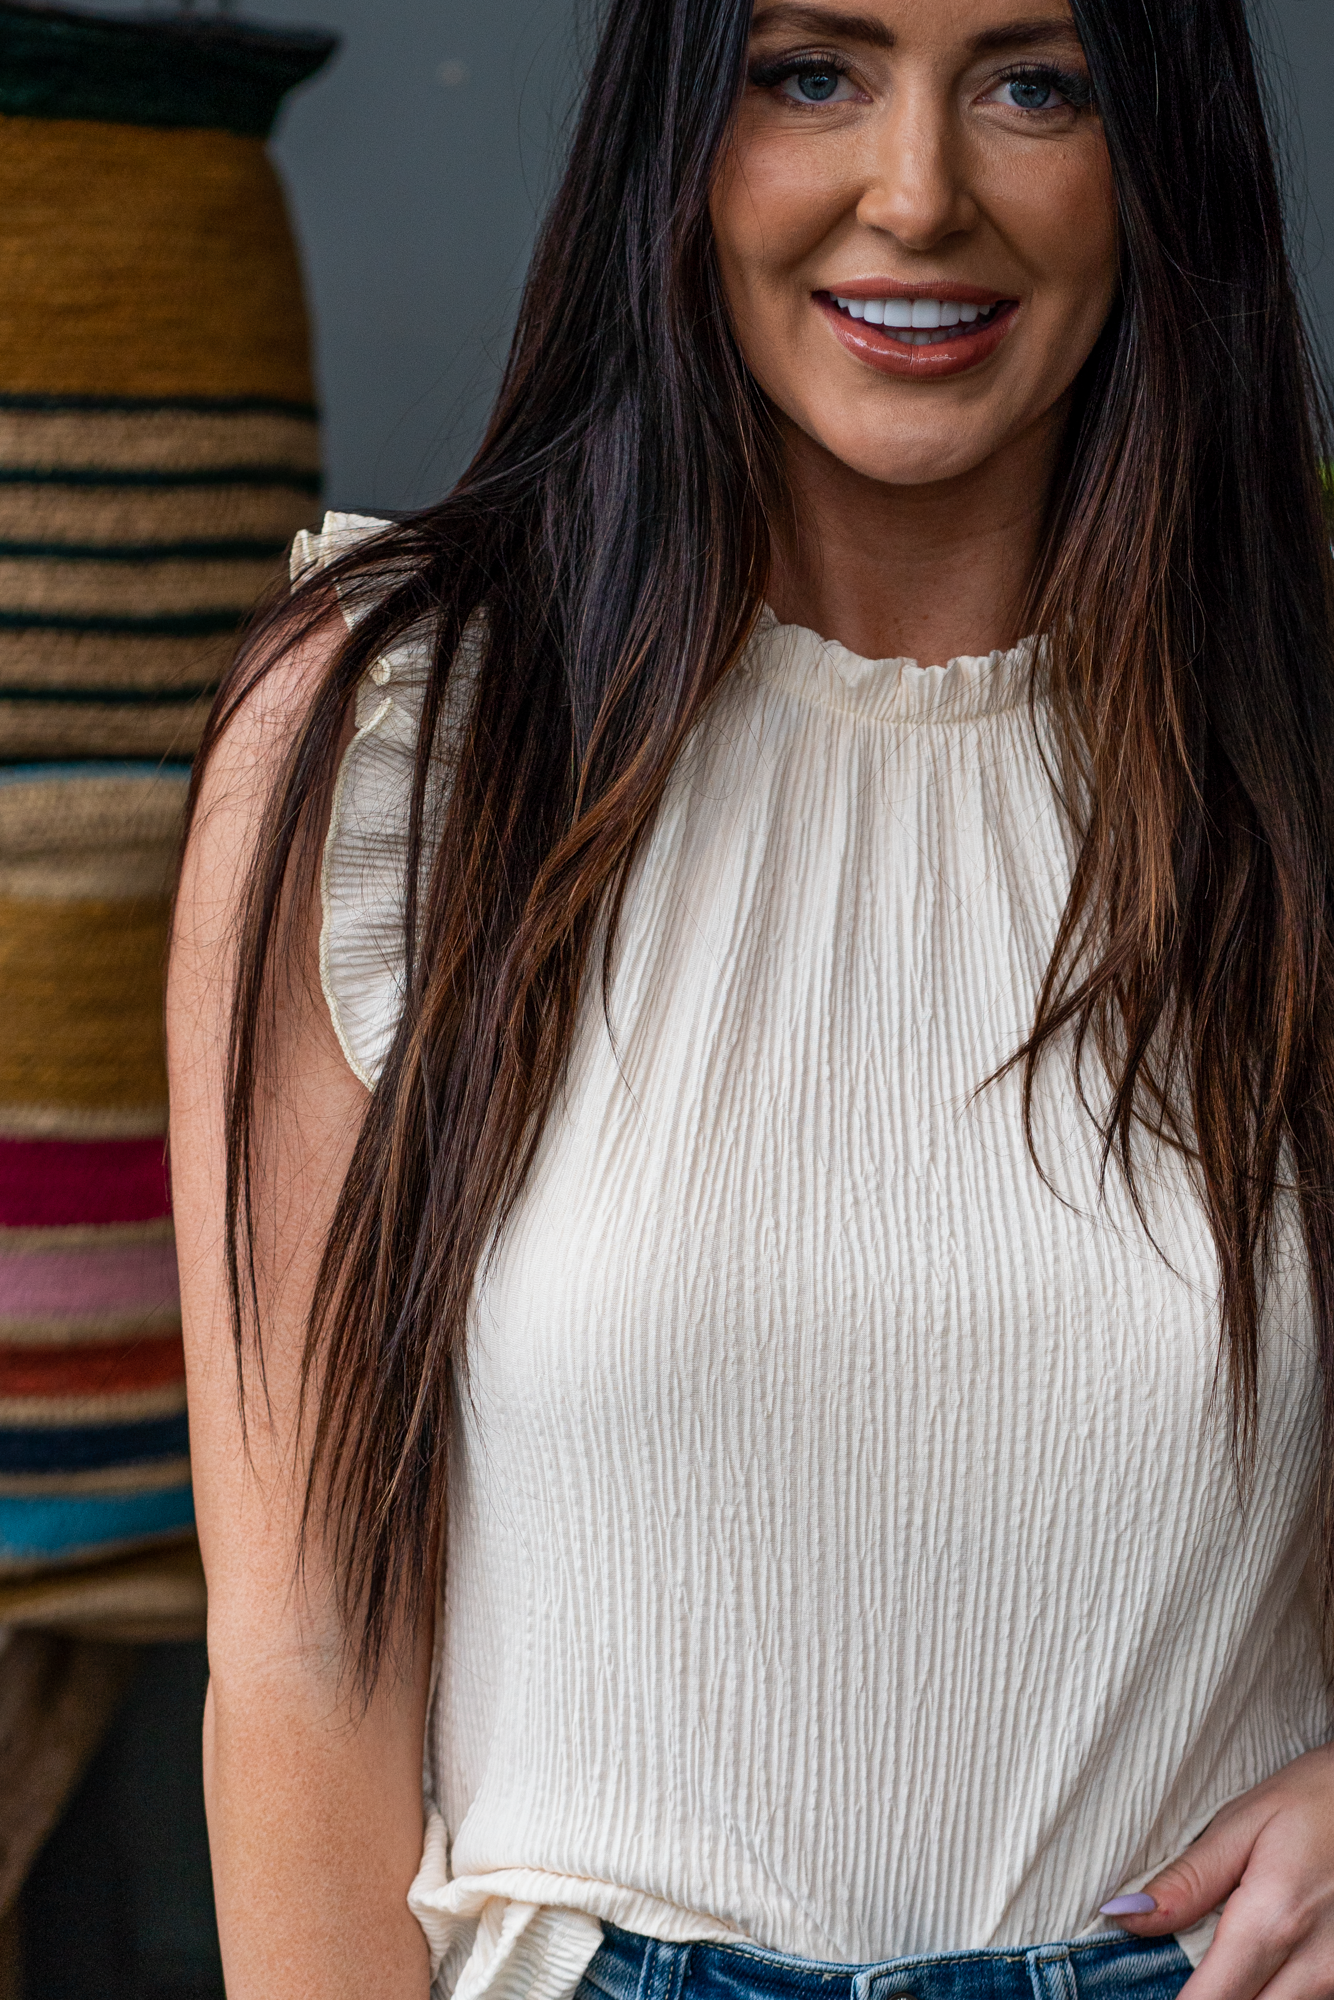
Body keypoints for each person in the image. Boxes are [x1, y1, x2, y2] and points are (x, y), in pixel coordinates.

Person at [167, 0, 1334, 1997]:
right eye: (811, 73)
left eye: (1034, 84)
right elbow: (300, 1662)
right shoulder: (405, 734)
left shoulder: (1295, 757)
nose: (916, 194)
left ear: (1161, 153)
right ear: (678, 140)